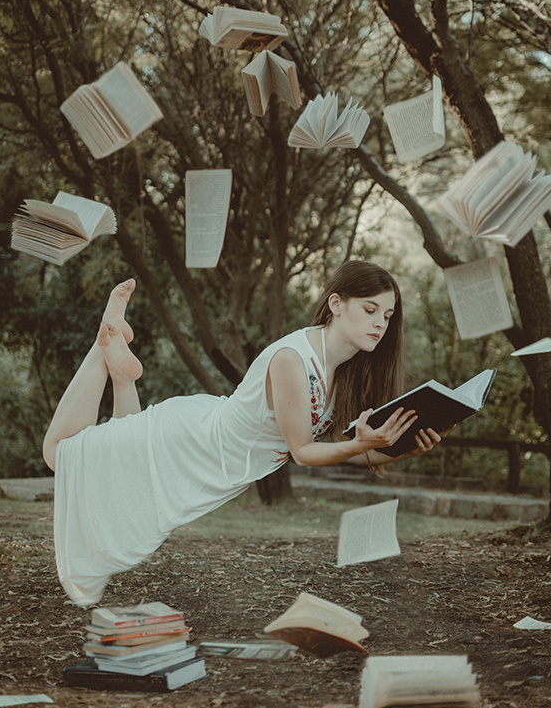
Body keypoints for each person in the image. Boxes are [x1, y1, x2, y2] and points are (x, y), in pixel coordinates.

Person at [44, 260, 444, 606]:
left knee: (122, 479)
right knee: (58, 453)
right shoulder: (293, 359)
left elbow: (343, 448)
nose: (380, 323)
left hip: (209, 453)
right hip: (189, 442)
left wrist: (398, 450)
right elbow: (305, 452)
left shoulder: (343, 373)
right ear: (336, 304)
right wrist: (361, 444)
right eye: (370, 310)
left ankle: (122, 374)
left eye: (388, 315)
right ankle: (103, 346)